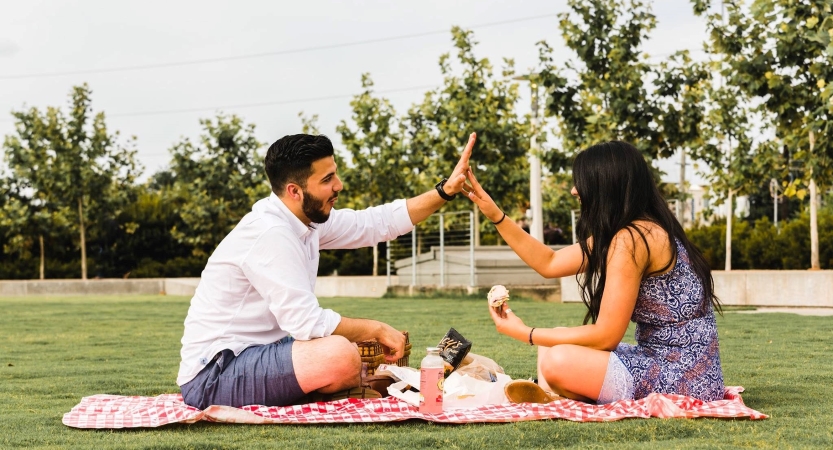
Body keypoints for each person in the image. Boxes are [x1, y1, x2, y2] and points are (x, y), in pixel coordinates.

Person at [178, 132, 476, 409]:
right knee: (340, 353)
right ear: (295, 190)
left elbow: (376, 223)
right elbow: (307, 322)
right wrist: (377, 328)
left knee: (350, 348)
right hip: (214, 376)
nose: (339, 185)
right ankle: (342, 383)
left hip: (258, 355)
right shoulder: (271, 234)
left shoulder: (306, 220)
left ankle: (342, 384)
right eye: (327, 179)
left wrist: (445, 191)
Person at [462, 140, 724, 404]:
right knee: (552, 344)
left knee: (557, 358)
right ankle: (554, 396)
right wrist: (495, 214)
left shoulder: (633, 238)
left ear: (606, 185)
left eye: (582, 182)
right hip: (661, 362)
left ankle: (556, 396)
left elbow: (606, 336)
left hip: (685, 378)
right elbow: (549, 262)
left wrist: (524, 332)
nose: (576, 191)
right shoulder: (631, 231)